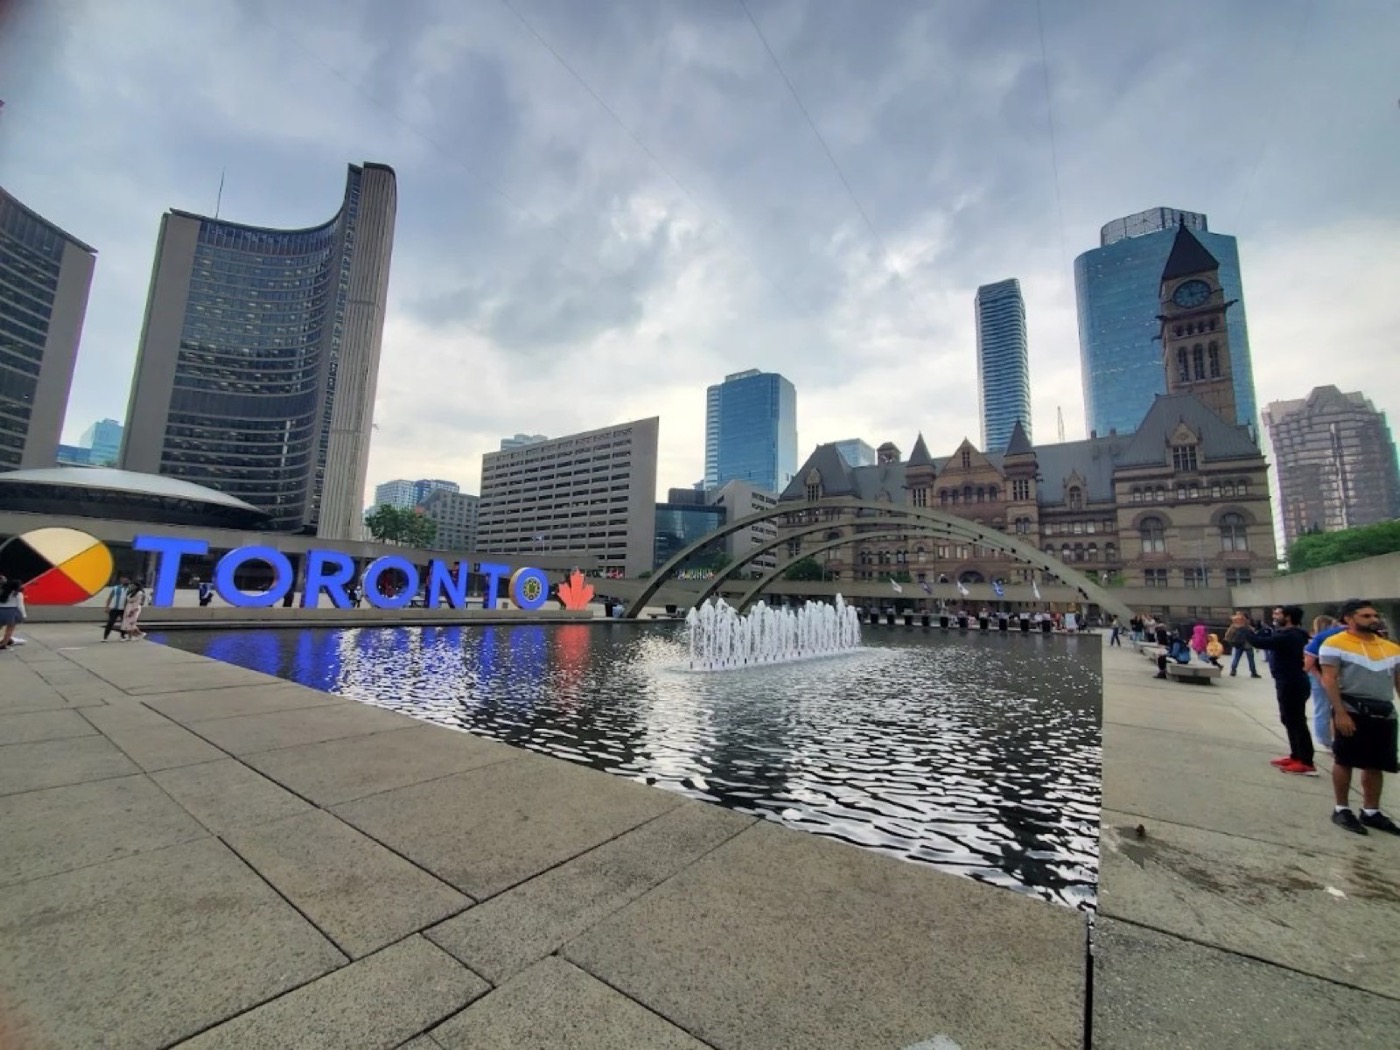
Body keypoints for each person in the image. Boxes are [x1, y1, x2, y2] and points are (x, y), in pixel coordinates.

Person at [1319, 599, 1400, 835]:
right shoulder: (1334, 644)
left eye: (1374, 615)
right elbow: (1329, 679)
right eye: (1366, 616)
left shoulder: (1391, 648)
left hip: (1383, 711)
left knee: (1377, 763)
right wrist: (1340, 713)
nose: (1373, 620)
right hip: (1352, 709)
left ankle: (1371, 811)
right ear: (1348, 618)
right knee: (1345, 760)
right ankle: (1342, 808)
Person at [1242, 605, 1316, 776]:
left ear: (1288, 617)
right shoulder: (1287, 634)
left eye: (1278, 613)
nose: (1274, 616)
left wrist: (1244, 628)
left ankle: (1306, 761)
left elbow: (1259, 643)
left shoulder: (1292, 635)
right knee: (1289, 719)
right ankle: (1296, 756)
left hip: (1292, 682)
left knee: (1296, 721)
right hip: (1287, 681)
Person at [1304, 614, 1344, 750]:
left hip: (1318, 677)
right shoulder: (1327, 641)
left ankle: (1326, 739)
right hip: (1322, 677)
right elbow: (1312, 663)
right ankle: (1327, 740)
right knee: (1325, 708)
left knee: (1322, 708)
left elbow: (1309, 663)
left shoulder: (1314, 640)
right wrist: (1320, 678)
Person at [1224, 610, 1262, 678]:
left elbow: (1228, 634)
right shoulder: (1246, 625)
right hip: (1248, 644)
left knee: (1236, 658)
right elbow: (1253, 633)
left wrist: (1229, 640)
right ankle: (1253, 672)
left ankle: (1233, 670)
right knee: (1251, 659)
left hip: (1239, 643)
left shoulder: (1234, 626)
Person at [0, 574, 25, 649]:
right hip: (12, 612)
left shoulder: (2, 592)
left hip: (1, 610)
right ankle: (4, 644)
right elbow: (20, 605)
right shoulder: (18, 594)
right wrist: (23, 615)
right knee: (9, 629)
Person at [103, 573, 130, 640]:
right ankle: (105, 637)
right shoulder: (115, 588)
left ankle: (122, 636)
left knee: (124, 623)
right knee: (110, 622)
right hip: (115, 608)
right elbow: (110, 597)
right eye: (122, 579)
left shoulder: (129, 589)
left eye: (125, 579)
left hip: (124, 609)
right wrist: (107, 606)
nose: (123, 580)